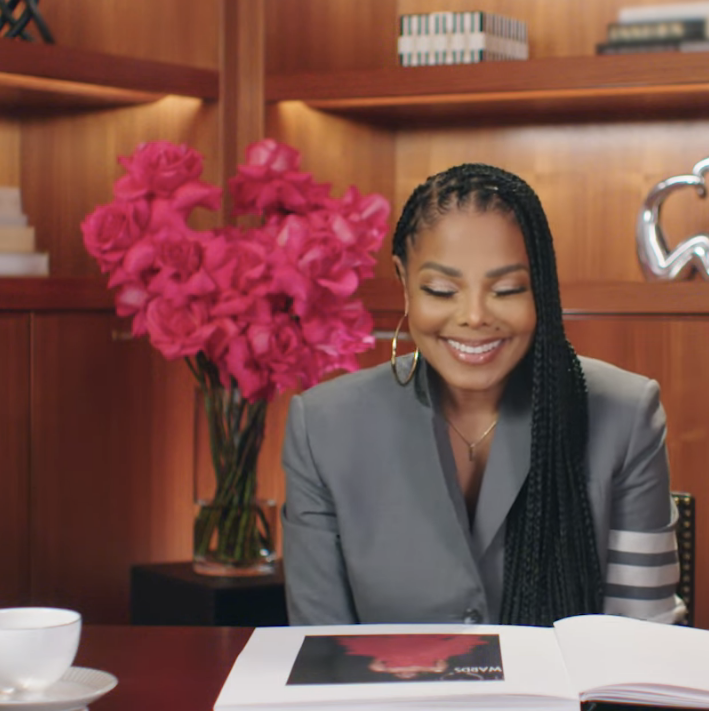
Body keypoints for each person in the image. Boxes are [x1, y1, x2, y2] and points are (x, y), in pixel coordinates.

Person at [281, 163, 685, 627]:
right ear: (404, 281)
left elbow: (641, 643)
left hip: (570, 702)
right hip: (383, 702)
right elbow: (319, 647)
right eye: (441, 289)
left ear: (542, 289)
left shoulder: (624, 414)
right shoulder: (324, 426)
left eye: (508, 289)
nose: (474, 316)